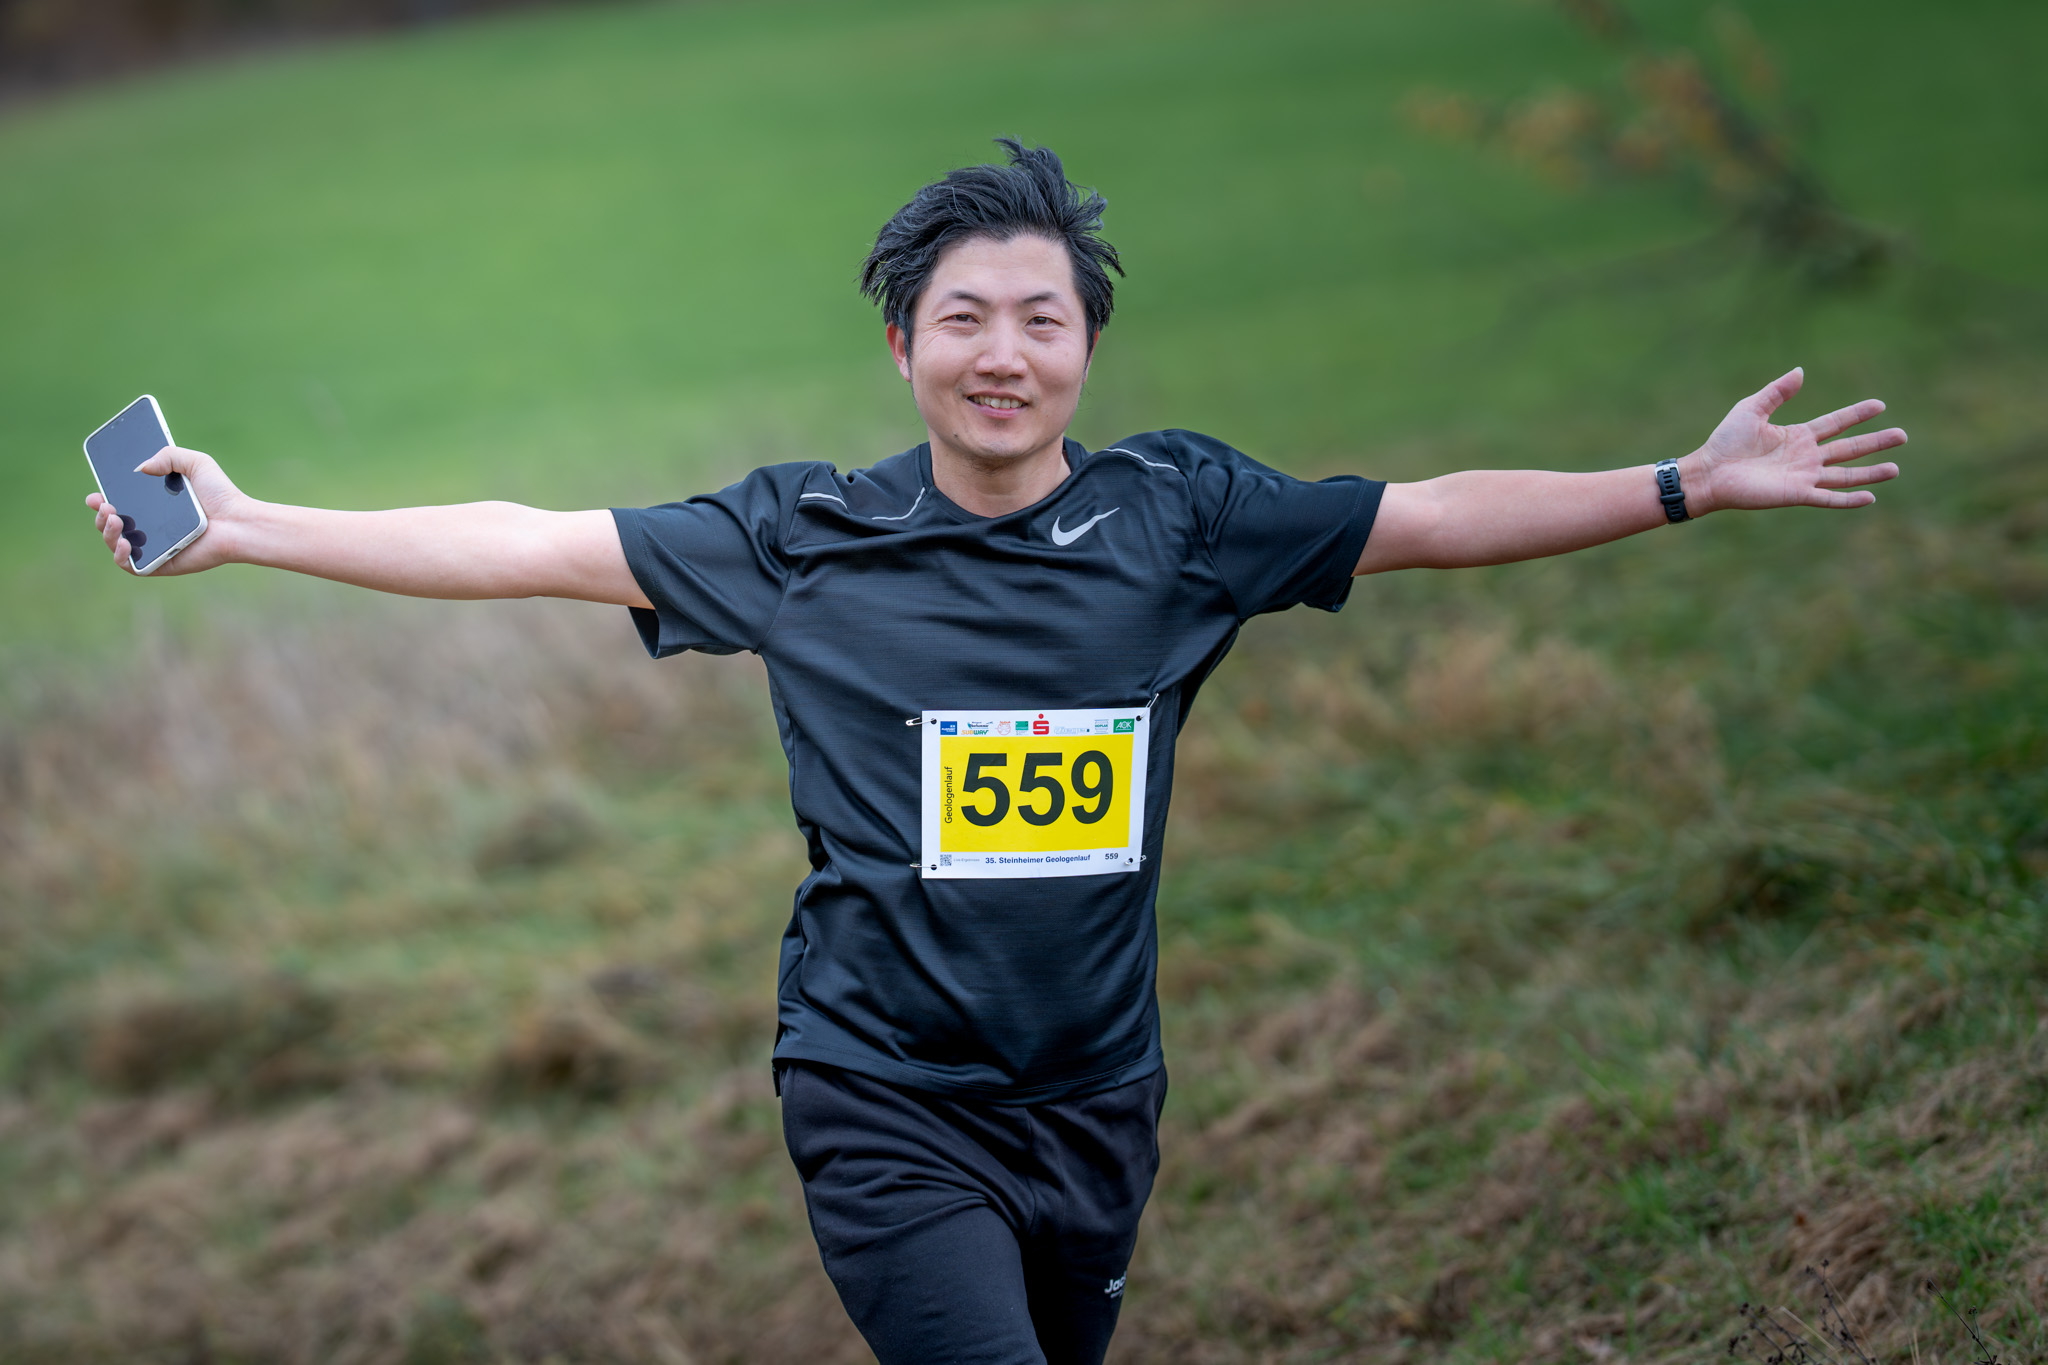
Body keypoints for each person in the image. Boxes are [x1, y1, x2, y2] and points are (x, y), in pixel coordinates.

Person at [84, 139, 1904, 1364]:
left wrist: (1683, 483)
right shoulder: (803, 539)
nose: (1003, 352)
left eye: (1042, 318)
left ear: (1087, 345)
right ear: (904, 346)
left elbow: (1425, 512)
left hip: (1098, 1097)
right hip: (883, 1091)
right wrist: (256, 523)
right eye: (964, 317)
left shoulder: (1181, 517)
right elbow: (530, 542)